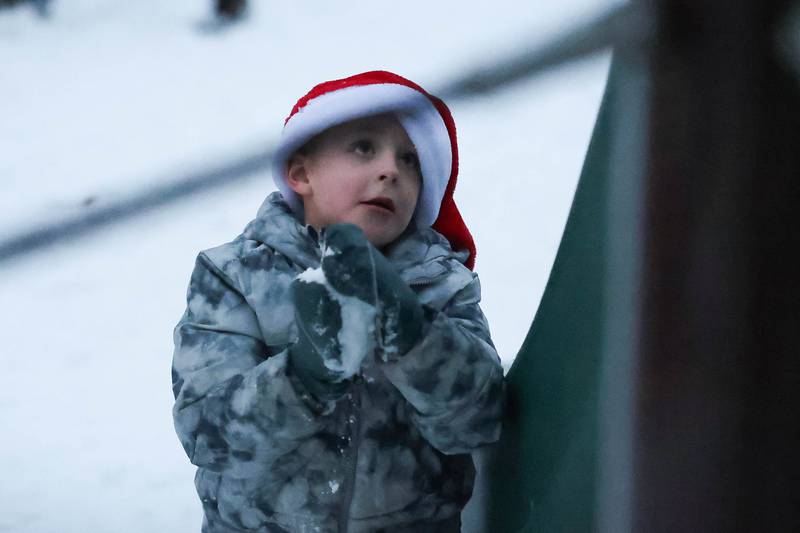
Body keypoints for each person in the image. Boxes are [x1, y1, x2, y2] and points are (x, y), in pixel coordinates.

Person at [171, 71, 504, 532]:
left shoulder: (442, 286)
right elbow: (209, 436)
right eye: (363, 148)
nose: (391, 170)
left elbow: (476, 422)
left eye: (410, 161)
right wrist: (304, 375)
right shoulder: (236, 275)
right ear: (302, 172)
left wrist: (415, 337)